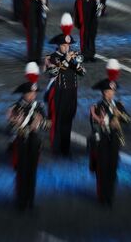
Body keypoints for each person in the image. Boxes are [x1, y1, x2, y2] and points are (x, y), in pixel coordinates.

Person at [7, 62, 49, 210]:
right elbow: (11, 128)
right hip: (21, 143)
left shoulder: (39, 107)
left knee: (32, 173)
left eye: (35, 93)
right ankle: (20, 202)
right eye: (30, 93)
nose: (33, 95)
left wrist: (40, 123)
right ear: (24, 93)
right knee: (22, 174)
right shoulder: (16, 108)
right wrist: (21, 124)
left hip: (34, 143)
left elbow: (48, 125)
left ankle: (30, 201)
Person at [88, 59, 130, 206]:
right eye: (107, 91)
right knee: (102, 168)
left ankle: (110, 196)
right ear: (103, 93)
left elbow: (128, 120)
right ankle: (102, 196)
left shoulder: (118, 105)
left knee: (112, 168)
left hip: (115, 140)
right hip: (102, 140)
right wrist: (105, 122)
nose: (110, 94)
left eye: (112, 91)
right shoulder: (97, 107)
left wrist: (120, 116)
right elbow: (93, 124)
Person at [44, 13, 86, 156]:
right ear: (58, 45)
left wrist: (76, 63)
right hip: (58, 93)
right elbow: (55, 71)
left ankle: (65, 148)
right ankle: (56, 148)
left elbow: (82, 73)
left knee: (68, 119)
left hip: (71, 93)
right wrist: (67, 60)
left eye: (68, 45)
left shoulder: (71, 56)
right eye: (64, 45)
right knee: (57, 120)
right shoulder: (51, 58)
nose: (67, 48)